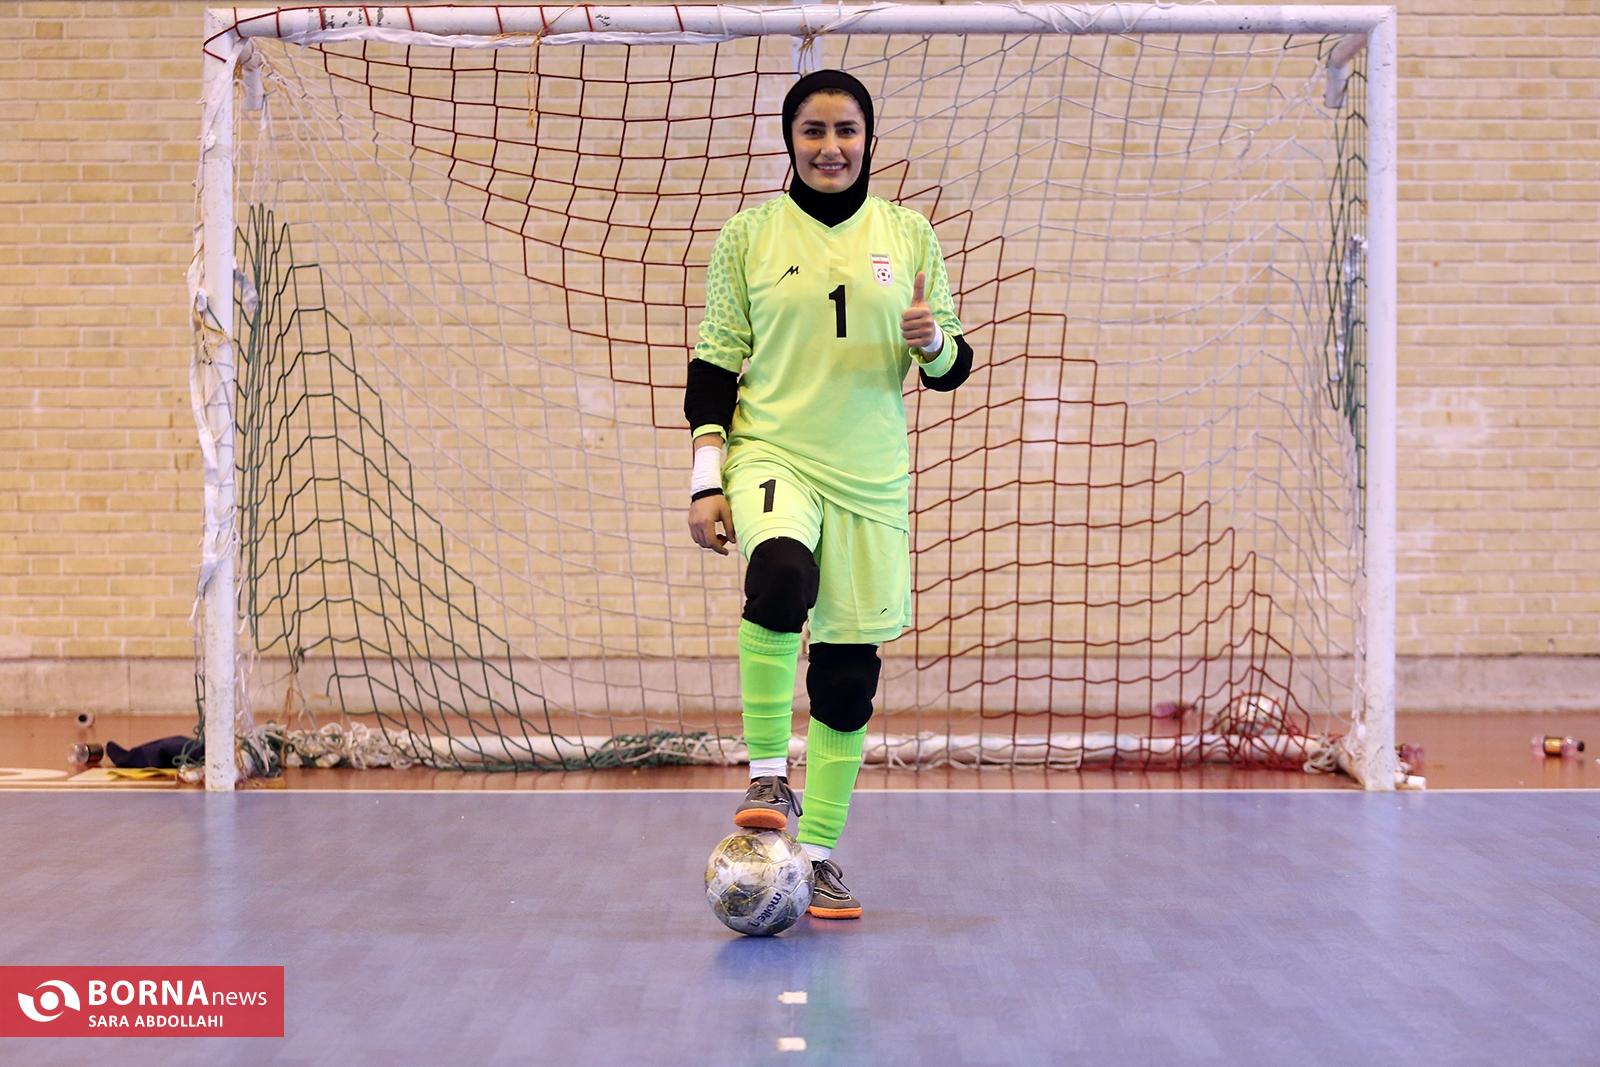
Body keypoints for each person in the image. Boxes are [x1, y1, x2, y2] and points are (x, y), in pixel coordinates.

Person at [684, 70, 973, 920]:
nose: (830, 146)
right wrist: (707, 480)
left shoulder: (909, 234)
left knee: (848, 673)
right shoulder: (749, 235)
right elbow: (714, 361)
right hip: (774, 450)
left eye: (846, 129)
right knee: (780, 574)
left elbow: (953, 366)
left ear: (869, 139)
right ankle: (767, 772)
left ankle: (814, 858)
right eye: (813, 130)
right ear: (790, 139)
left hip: (871, 477)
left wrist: (932, 341)